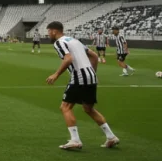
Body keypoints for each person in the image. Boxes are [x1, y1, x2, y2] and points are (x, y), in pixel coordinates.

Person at [45, 21, 118, 150]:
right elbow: (94, 56)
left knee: (65, 107)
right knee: (88, 109)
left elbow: (68, 59)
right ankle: (111, 137)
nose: (48, 34)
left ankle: (75, 140)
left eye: (49, 31)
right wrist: (92, 74)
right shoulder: (74, 40)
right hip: (90, 76)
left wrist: (56, 74)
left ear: (54, 31)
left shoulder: (60, 42)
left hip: (79, 76)